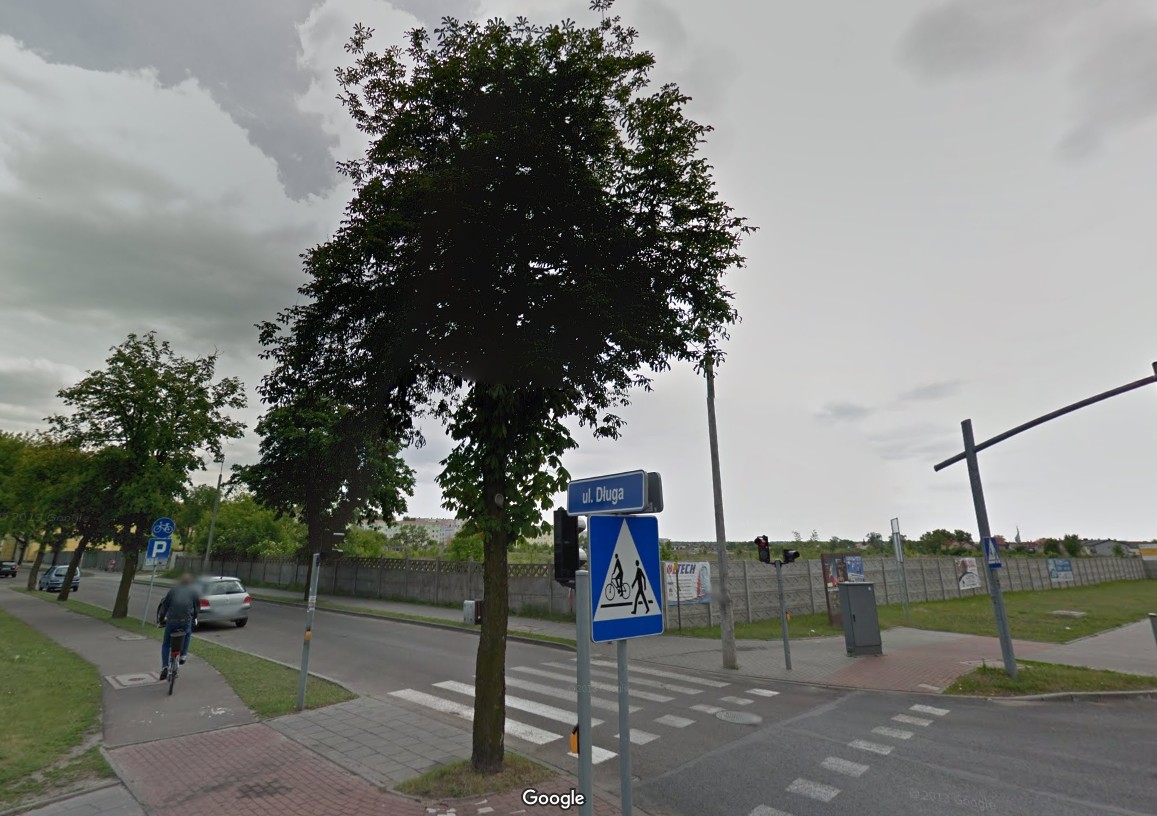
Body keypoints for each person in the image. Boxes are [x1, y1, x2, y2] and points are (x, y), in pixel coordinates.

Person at [157, 573, 199, 679]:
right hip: (186, 620)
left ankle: (165, 666)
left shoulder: (173, 591)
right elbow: (196, 607)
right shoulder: (192, 592)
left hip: (172, 621)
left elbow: (165, 606)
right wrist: (195, 618)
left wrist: (161, 619)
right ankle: (183, 655)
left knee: (166, 644)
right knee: (188, 633)